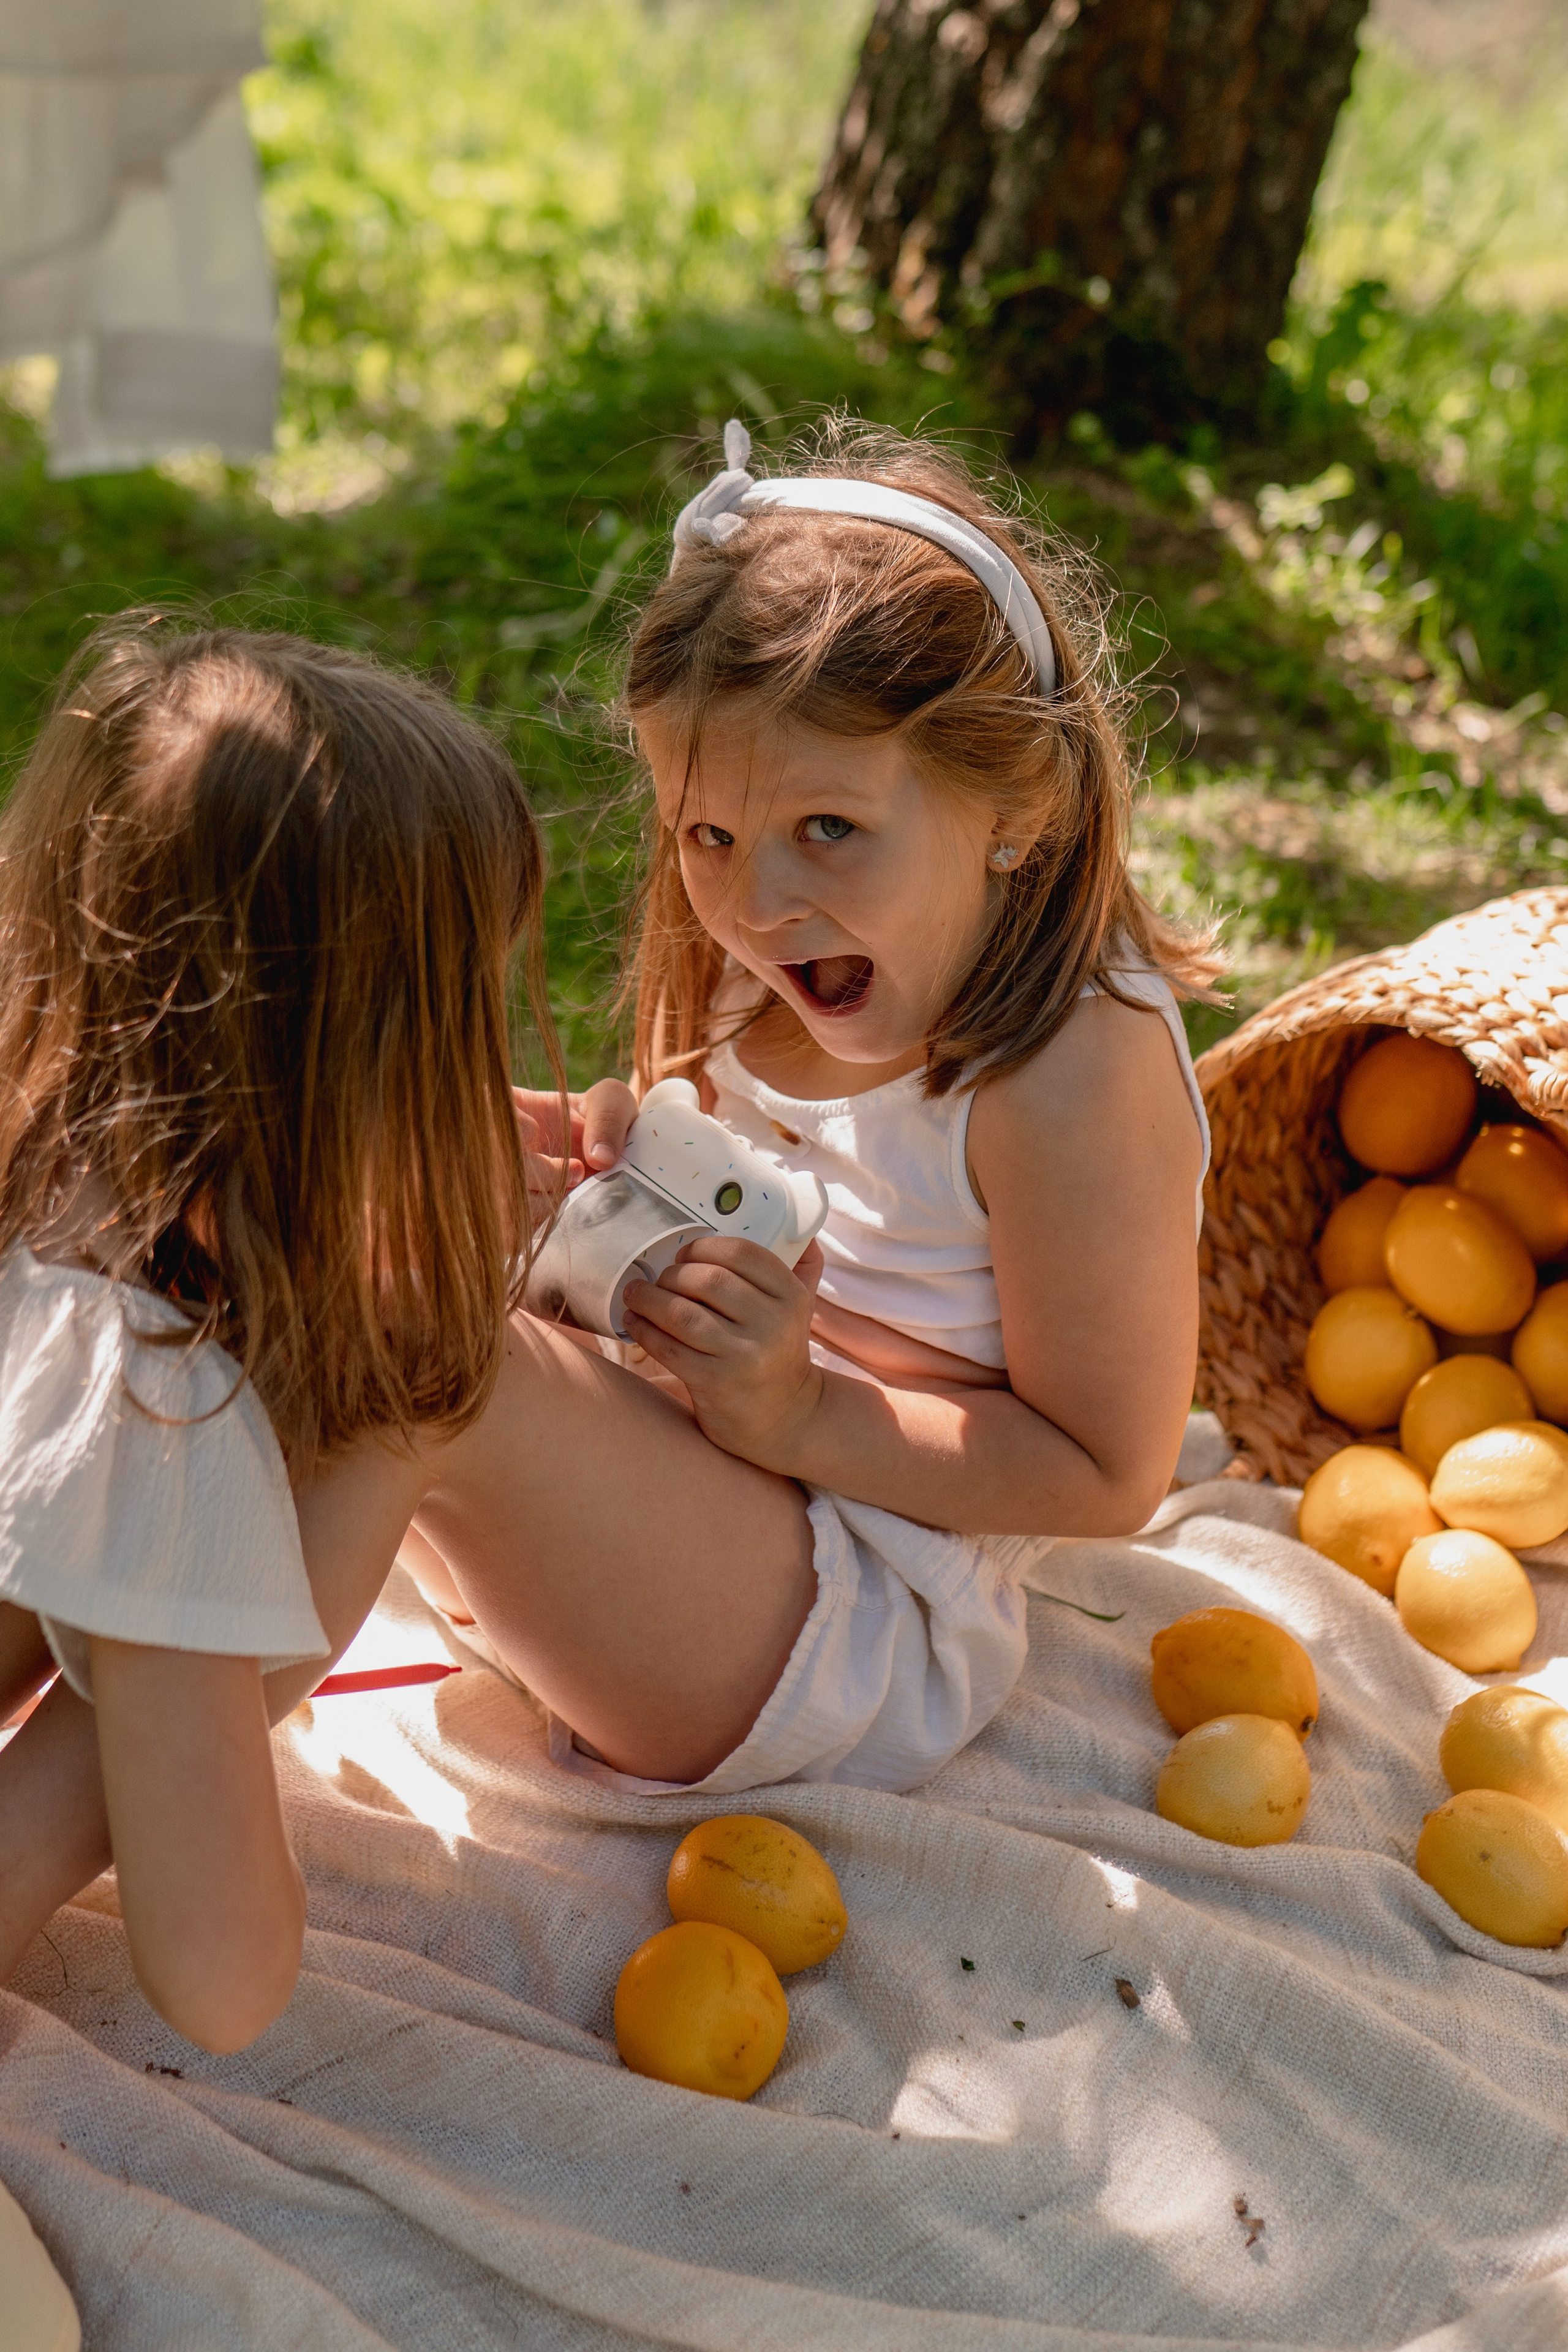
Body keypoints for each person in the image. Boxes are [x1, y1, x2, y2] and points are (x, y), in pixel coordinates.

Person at [402, 416, 1220, 1803]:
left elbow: (1106, 1472)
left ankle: (97, 1799)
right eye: (706, 836)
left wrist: (796, 1416)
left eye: (827, 829)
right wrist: (594, 1200)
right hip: (676, 1510)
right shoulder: (767, 961)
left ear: (1012, 803)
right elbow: (737, 1215)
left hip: (852, 1616)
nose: (755, 901)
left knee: (422, 1375)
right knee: (306, 1239)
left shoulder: (1065, 1072)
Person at [0, 621, 552, 2051]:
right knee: (119, 1690)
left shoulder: (51, 1204)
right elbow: (225, 1981)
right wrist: (159, 1666)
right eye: (450, 1043)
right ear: (322, 1088)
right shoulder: (163, 1430)